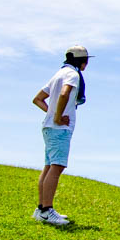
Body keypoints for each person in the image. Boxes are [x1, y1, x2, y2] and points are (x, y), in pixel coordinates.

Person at [31, 45, 93, 225]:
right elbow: (65, 93)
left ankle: (41, 209)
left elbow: (38, 99)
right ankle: (46, 210)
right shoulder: (72, 75)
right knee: (56, 167)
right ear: (83, 61)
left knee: (49, 166)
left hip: (49, 127)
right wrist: (57, 117)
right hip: (59, 129)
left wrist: (51, 114)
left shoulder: (58, 74)